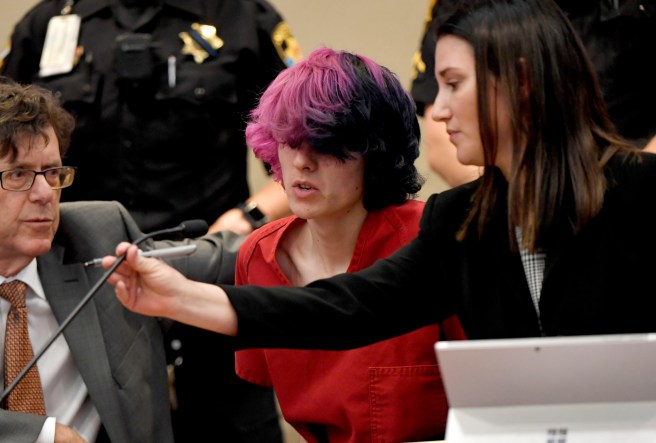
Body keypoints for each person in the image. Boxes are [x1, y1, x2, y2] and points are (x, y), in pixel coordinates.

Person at [100, 0, 656, 401]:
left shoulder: (645, 191)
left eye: (453, 84)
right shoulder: (461, 220)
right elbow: (343, 308)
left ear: (523, 83)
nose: (436, 111)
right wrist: (177, 297)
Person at [0, 2, 301, 440]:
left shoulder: (242, 17)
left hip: (209, 278)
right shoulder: (48, 23)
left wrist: (248, 217)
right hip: (89, 290)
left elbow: (309, 151)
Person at [0, 78, 244, 443]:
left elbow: (226, 262)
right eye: (18, 175)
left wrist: (302, 233)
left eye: (53, 173)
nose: (45, 194)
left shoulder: (99, 237)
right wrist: (42, 436)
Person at [232, 47, 466, 443]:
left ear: (374, 153)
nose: (303, 162)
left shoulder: (433, 238)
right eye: (290, 140)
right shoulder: (257, 257)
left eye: (324, 143)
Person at [411, 0, 656, 187]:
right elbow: (443, 145)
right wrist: (522, 202)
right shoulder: (438, 218)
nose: (442, 112)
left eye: (455, 84)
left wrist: (623, 198)